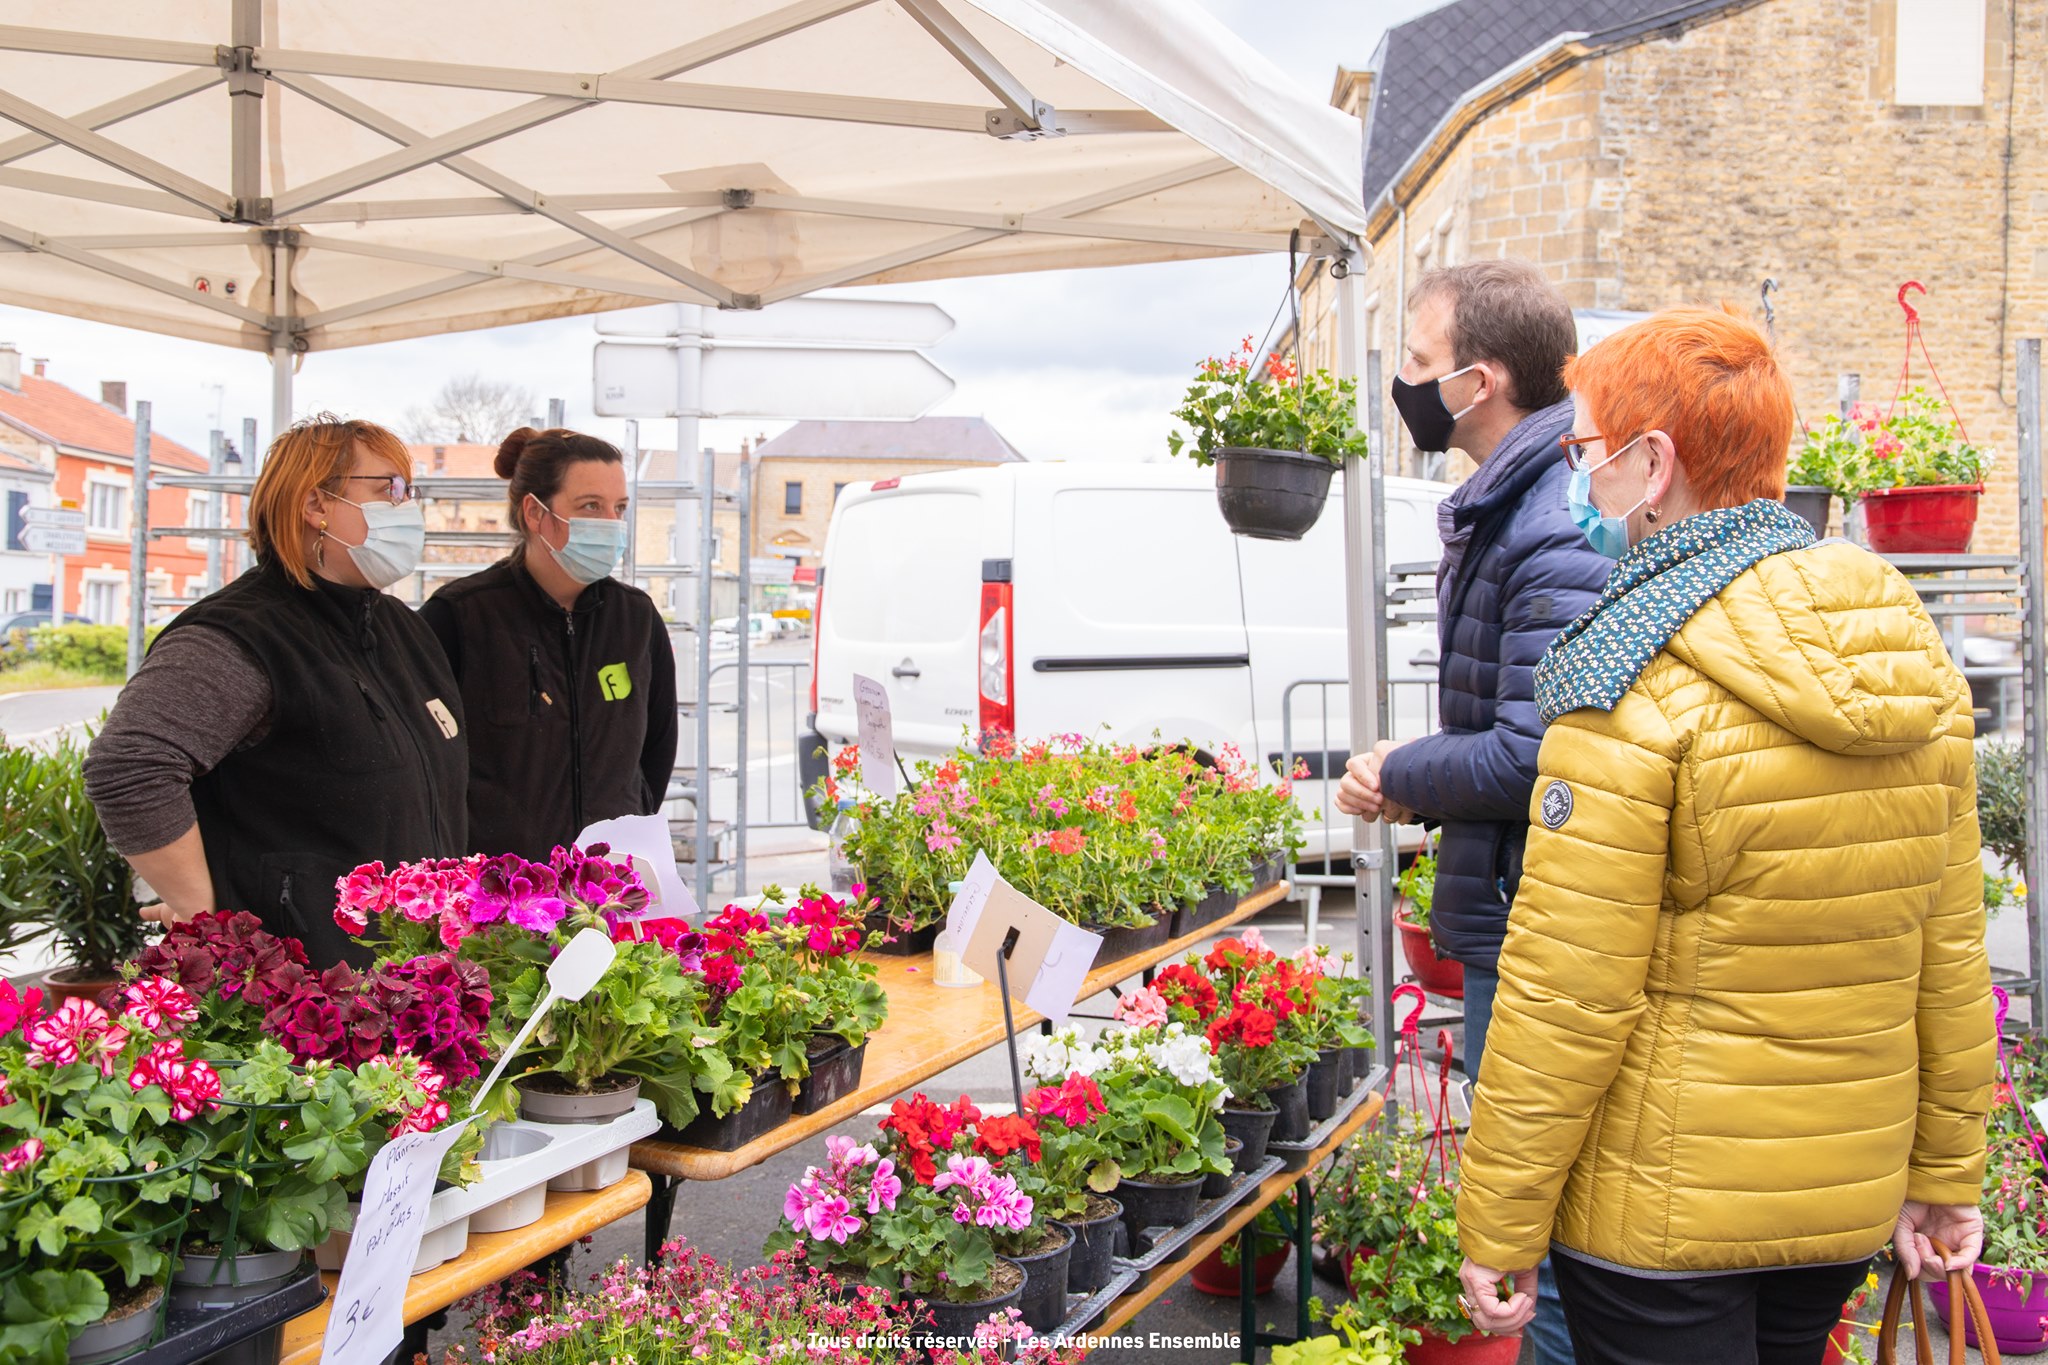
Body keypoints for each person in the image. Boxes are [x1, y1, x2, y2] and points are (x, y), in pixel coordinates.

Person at [1454, 308, 1993, 1365]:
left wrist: (1501, 1221)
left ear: (1650, 464)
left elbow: (1567, 989)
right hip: (1839, 1194)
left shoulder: (1629, 677)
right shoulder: (1903, 652)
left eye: (1583, 453)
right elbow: (1948, 951)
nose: (1577, 482)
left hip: (1661, 1211)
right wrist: (1941, 1173)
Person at [1336, 259, 1605, 1363]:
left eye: (1415, 363)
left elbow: (1538, 751)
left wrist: (1400, 771)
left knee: (1531, 1234)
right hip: (1515, 903)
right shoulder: (1516, 499)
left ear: (1478, 381)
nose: (1402, 384)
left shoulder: (1547, 522)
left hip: (1534, 917)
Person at [84, 416, 468, 968]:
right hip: (304, 994)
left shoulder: (404, 630)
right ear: (316, 505)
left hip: (413, 979)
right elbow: (129, 766)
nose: (408, 508)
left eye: (410, 492)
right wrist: (206, 917)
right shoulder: (242, 635)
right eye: (389, 489)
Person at [419, 427, 676, 861]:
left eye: (619, 508)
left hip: (607, 889)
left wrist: (629, 825)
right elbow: (425, 756)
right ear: (535, 513)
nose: (610, 524)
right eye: (590, 506)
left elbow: (657, 746)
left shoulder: (636, 618)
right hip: (499, 896)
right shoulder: (460, 616)